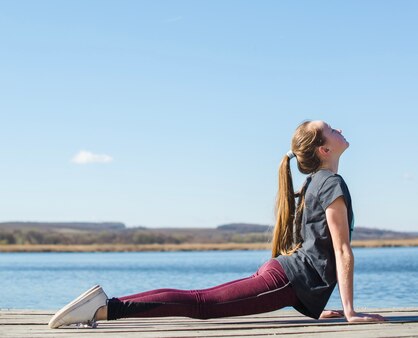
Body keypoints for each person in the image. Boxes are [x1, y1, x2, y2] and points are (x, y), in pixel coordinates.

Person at [48, 120, 385, 329]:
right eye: (332, 128)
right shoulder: (329, 183)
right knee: (201, 304)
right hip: (285, 279)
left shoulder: (317, 182)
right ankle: (107, 308)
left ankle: (106, 306)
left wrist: (317, 307)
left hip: (284, 277)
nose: (340, 128)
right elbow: (341, 251)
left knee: (201, 300)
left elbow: (314, 248)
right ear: (325, 149)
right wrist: (351, 312)